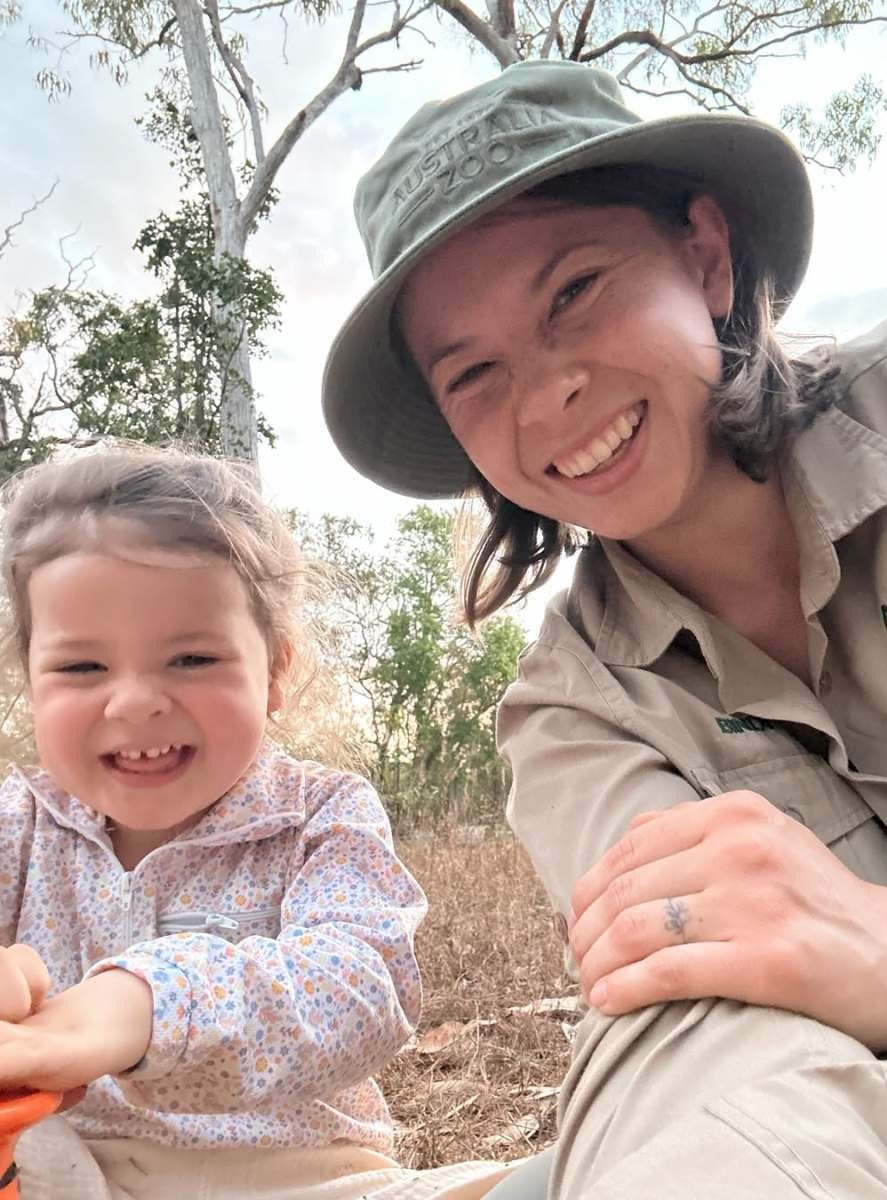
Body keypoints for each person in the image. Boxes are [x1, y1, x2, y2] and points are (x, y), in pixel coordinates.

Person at [322, 58, 887, 1199]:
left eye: (573, 293)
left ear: (705, 256)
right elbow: (695, 1018)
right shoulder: (572, 714)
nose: (546, 394)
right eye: (474, 375)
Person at [0, 444, 512, 1200]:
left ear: (273, 670)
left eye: (192, 659)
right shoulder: (18, 822)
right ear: (31, 680)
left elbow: (362, 990)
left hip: (307, 1181)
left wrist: (144, 1005)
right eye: (82, 668)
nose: (135, 702)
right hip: (64, 1170)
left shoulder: (320, 817)